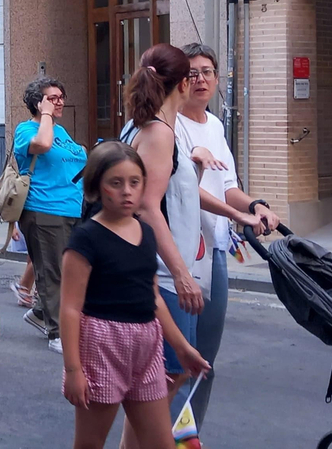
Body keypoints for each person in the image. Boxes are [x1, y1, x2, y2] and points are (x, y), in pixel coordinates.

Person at [61, 141, 210, 449]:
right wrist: (74, 369)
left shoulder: (147, 233)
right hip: (102, 344)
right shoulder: (86, 238)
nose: (127, 191)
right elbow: (70, 309)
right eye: (116, 183)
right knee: (90, 443)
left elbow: (152, 297)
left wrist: (182, 348)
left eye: (134, 182)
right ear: (97, 187)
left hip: (146, 345)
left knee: (160, 443)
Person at [172, 43, 278, 424]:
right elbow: (187, 191)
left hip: (214, 248)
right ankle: (168, 436)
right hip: (180, 253)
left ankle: (191, 435)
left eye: (207, 72)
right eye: (192, 73)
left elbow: (226, 183)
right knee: (179, 358)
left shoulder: (215, 125)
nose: (200, 80)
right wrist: (237, 214)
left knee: (205, 358)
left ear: (218, 78)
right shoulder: (171, 125)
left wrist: (254, 207)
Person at [119, 45, 213, 446]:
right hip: (162, 272)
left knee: (160, 378)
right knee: (168, 374)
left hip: (157, 268)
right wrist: (181, 274)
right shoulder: (158, 132)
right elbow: (149, 207)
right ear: (185, 82)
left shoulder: (142, 125)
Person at [14, 77, 89, 354]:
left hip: (72, 209)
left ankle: (40, 312)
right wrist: (44, 115)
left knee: (71, 270)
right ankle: (57, 332)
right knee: (52, 272)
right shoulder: (26, 130)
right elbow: (43, 145)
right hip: (44, 209)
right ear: (38, 102)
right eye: (52, 98)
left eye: (61, 97)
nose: (59, 102)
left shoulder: (62, 132)